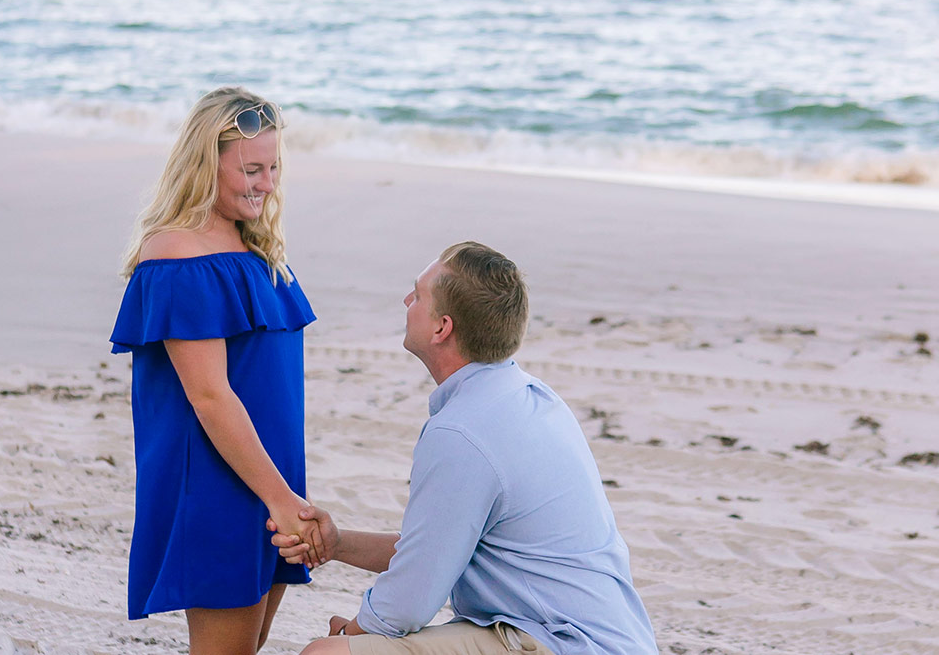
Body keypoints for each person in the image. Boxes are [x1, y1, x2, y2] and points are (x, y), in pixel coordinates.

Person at [271, 242, 658, 655]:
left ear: (442, 328)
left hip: (565, 641)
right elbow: (437, 548)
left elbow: (411, 600)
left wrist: (355, 632)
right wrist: (337, 543)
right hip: (600, 636)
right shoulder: (528, 397)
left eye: (417, 295)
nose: (406, 300)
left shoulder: (463, 431)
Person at [110, 86, 325, 654]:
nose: (268, 183)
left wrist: (286, 497)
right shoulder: (177, 255)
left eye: (274, 167)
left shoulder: (254, 245)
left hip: (271, 479)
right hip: (223, 484)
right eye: (251, 169)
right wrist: (281, 500)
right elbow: (209, 397)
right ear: (207, 166)